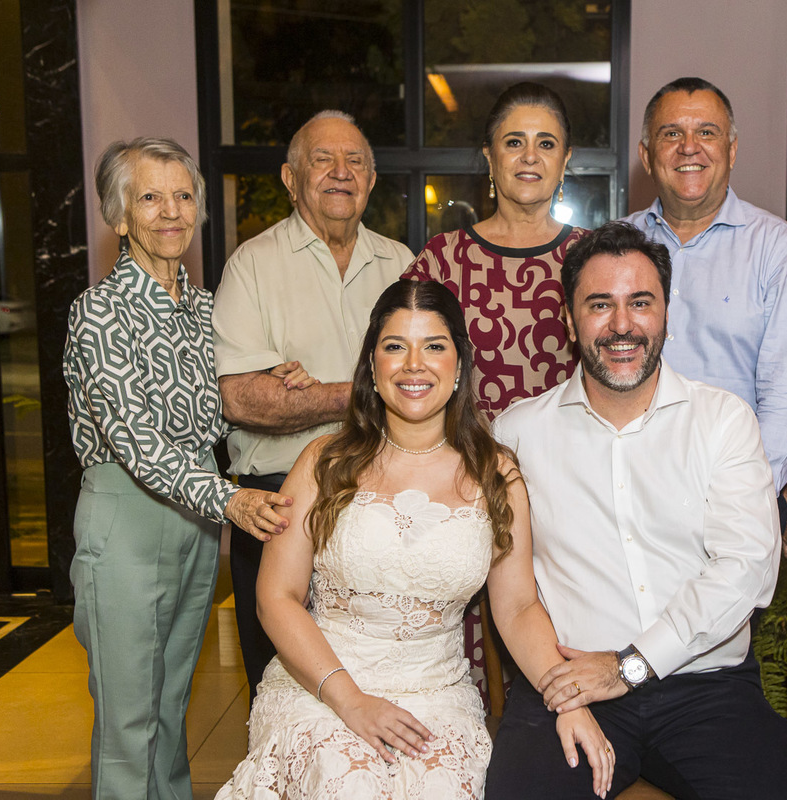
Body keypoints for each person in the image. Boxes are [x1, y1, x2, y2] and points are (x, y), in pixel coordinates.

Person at [216, 280, 615, 800]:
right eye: (395, 346)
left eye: (433, 346)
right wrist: (350, 700)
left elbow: (518, 608)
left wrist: (567, 699)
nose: (413, 365)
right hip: (320, 685)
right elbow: (276, 597)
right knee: (349, 783)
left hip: (437, 695)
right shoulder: (322, 462)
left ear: (459, 365)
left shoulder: (496, 474)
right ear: (372, 366)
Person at [486, 222, 787, 799]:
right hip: (572, 679)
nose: (622, 325)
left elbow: (747, 570)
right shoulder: (517, 433)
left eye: (640, 303)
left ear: (666, 314)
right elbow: (513, 597)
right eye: (599, 305)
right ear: (569, 321)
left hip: (706, 685)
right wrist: (568, 691)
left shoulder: (723, 421)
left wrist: (629, 666)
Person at [63, 137, 292, 800]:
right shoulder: (98, 312)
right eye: (150, 197)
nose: (171, 211)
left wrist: (275, 378)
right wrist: (230, 500)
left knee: (169, 707)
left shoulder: (204, 308)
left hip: (194, 518)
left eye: (183, 195)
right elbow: (136, 441)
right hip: (127, 517)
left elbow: (219, 411)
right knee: (128, 722)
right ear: (119, 216)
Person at [213, 110, 414, 699]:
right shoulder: (252, 266)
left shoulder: (402, 265)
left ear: (371, 180)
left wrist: (307, 392)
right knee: (282, 690)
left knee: (379, 682)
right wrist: (365, 390)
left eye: (355, 161)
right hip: (278, 505)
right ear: (290, 177)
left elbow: (428, 380)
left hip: (388, 499)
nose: (340, 172)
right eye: (323, 160)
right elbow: (242, 399)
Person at [625, 77, 787, 524]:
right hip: (625, 501)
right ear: (646, 155)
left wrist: (738, 503)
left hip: (733, 509)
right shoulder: (615, 246)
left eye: (706, 132)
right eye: (671, 133)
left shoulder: (777, 250)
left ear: (731, 151)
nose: (688, 147)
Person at [404, 82, 586, 419]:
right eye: (514, 142)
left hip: (572, 448)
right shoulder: (443, 259)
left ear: (565, 160)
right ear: (490, 157)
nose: (530, 156)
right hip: (464, 448)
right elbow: (401, 361)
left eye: (546, 144)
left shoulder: (593, 257)